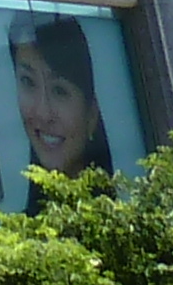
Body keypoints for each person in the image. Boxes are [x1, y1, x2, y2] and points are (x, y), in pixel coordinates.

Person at [11, 15, 111, 196]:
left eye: (59, 91)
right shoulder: (14, 223)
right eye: (28, 82)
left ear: (92, 113)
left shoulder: (129, 218)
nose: (43, 113)